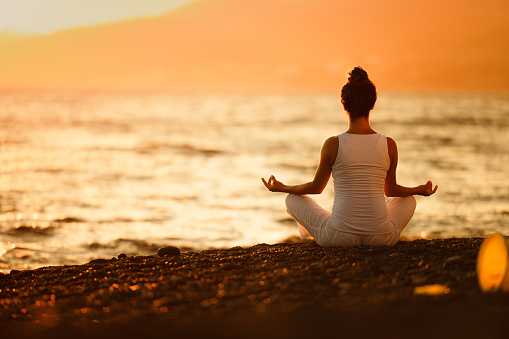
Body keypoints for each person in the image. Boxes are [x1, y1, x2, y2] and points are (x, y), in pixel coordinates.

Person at [262, 67, 438, 247]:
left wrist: (283, 188)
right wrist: (418, 190)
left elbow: (316, 187)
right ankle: (372, 225)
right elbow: (390, 190)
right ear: (372, 104)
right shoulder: (389, 144)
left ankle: (314, 236)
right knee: (409, 199)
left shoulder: (333, 144)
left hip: (338, 238)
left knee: (291, 198)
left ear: (344, 103)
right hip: (382, 238)